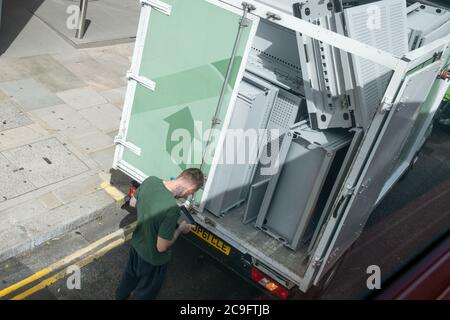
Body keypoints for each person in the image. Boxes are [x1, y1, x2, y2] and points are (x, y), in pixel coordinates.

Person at [115, 168, 205, 300]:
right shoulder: (171, 209)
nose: (188, 195)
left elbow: (133, 203)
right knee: (145, 293)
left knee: (129, 278)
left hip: (136, 246)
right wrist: (180, 229)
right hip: (153, 260)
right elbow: (161, 247)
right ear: (190, 189)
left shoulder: (151, 180)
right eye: (191, 193)